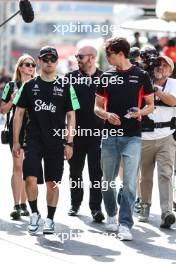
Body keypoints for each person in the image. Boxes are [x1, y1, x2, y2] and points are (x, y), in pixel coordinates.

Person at [13, 46, 80, 234]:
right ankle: (34, 214)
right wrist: (17, 141)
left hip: (56, 142)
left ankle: (50, 219)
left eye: (52, 59)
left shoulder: (66, 85)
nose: (49, 62)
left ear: (57, 62)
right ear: (39, 61)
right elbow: (18, 114)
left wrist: (69, 142)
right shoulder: (29, 85)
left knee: (53, 183)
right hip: (33, 140)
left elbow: (71, 116)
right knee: (30, 179)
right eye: (45, 59)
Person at [94, 37, 154, 241]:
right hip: (110, 135)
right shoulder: (106, 76)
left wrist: (140, 113)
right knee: (107, 182)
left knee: (129, 183)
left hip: (133, 137)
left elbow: (150, 105)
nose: (107, 58)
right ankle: (111, 213)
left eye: (108, 53)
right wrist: (106, 115)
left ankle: (125, 224)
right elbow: (97, 107)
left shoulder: (142, 75)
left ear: (119, 53)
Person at [67, 46, 105, 222]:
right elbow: (63, 109)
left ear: (92, 58)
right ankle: (75, 203)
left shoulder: (105, 78)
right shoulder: (70, 78)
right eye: (76, 56)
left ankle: (96, 208)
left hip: (98, 133)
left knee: (96, 173)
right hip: (76, 133)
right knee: (75, 171)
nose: (77, 59)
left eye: (80, 56)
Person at [139, 55, 176, 228]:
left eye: (165, 65)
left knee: (165, 174)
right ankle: (145, 206)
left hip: (166, 136)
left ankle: (167, 212)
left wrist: (156, 90)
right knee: (145, 176)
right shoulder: (143, 82)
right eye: (158, 64)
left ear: (171, 70)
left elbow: (173, 101)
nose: (160, 67)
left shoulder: (174, 85)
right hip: (144, 137)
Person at [1, 54, 36, 220]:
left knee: (28, 169)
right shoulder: (10, 85)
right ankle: (17, 205)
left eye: (33, 65)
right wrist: (12, 102)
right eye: (27, 64)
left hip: (34, 132)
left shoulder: (38, 85)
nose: (30, 67)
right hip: (17, 132)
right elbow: (2, 110)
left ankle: (24, 204)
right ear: (20, 67)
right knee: (17, 167)